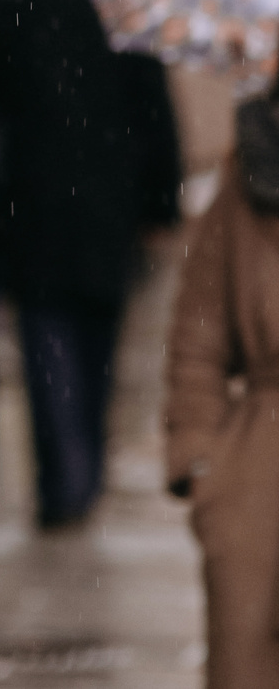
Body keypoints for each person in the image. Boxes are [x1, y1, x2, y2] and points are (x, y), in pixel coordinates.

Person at [0, 0, 186, 528]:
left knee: (44, 338)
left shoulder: (9, 2)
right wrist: (161, 202)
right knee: (98, 338)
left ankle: (63, 475)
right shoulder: (123, 4)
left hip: (30, 203)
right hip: (108, 207)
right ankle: (85, 464)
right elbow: (155, 113)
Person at [165, 95, 279, 689]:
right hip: (259, 463)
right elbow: (198, 331)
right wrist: (199, 457)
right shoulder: (248, 179)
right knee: (246, 660)